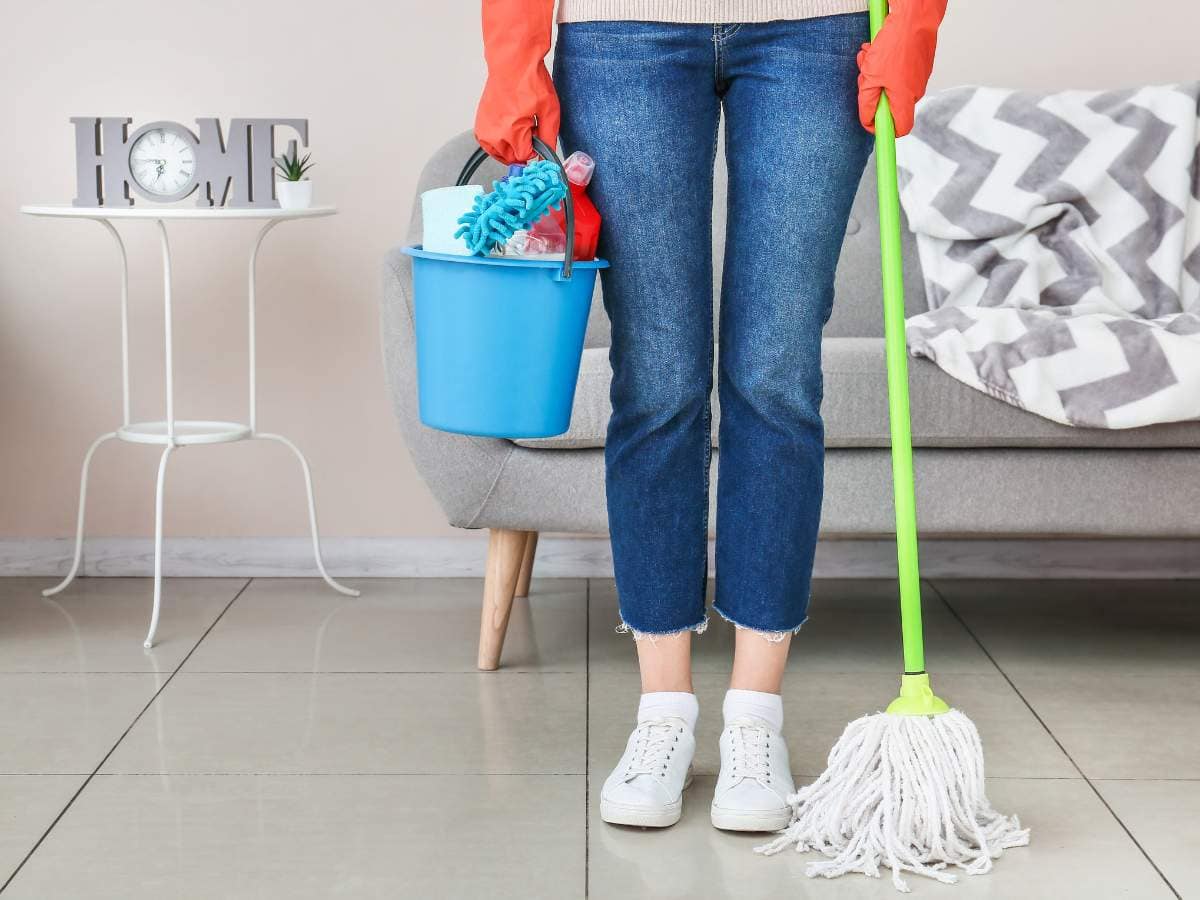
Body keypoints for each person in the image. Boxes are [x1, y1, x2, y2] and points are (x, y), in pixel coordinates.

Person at [474, 0, 945, 831]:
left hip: (817, 28)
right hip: (621, 32)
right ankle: (664, 715)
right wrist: (514, 50)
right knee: (658, 379)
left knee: (776, 376)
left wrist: (911, 21)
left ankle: (755, 721)